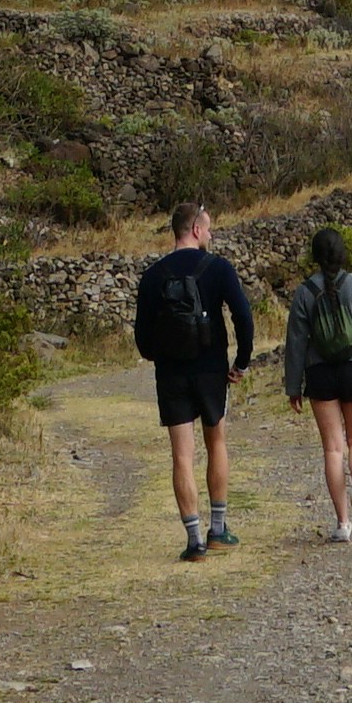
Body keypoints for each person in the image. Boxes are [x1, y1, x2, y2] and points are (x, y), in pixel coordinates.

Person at [131, 200, 260, 558]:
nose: (212, 234)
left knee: (181, 455)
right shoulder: (218, 268)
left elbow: (142, 337)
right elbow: (243, 317)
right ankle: (218, 529)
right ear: (196, 230)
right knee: (216, 442)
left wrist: (160, 356)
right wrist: (242, 362)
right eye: (209, 228)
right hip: (211, 369)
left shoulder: (153, 276)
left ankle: (193, 540)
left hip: (171, 372)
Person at [285, 225, 352, 541]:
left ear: (315, 257)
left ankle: (343, 523)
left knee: (333, 448)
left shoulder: (304, 292)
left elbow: (295, 343)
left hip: (320, 375)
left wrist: (294, 387)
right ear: (343, 254)